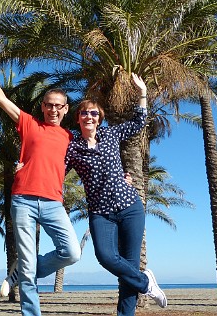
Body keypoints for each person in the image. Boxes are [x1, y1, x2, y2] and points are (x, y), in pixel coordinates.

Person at [0, 41, 81, 316]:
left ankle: (21, 270)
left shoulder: (71, 138)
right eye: (48, 105)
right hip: (23, 201)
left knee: (72, 253)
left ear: (66, 109)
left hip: (54, 203)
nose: (53, 110)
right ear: (42, 107)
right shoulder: (30, 124)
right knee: (30, 267)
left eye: (58, 106)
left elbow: (92, 158)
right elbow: (1, 99)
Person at [64, 73, 167, 315]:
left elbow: (138, 122)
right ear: (77, 118)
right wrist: (24, 166)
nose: (89, 116)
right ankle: (146, 282)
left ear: (100, 119)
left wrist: (142, 93)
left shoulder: (111, 135)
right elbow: (55, 171)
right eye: (84, 113)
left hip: (130, 207)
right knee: (106, 256)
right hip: (101, 213)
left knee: (127, 268)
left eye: (94, 113)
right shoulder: (73, 148)